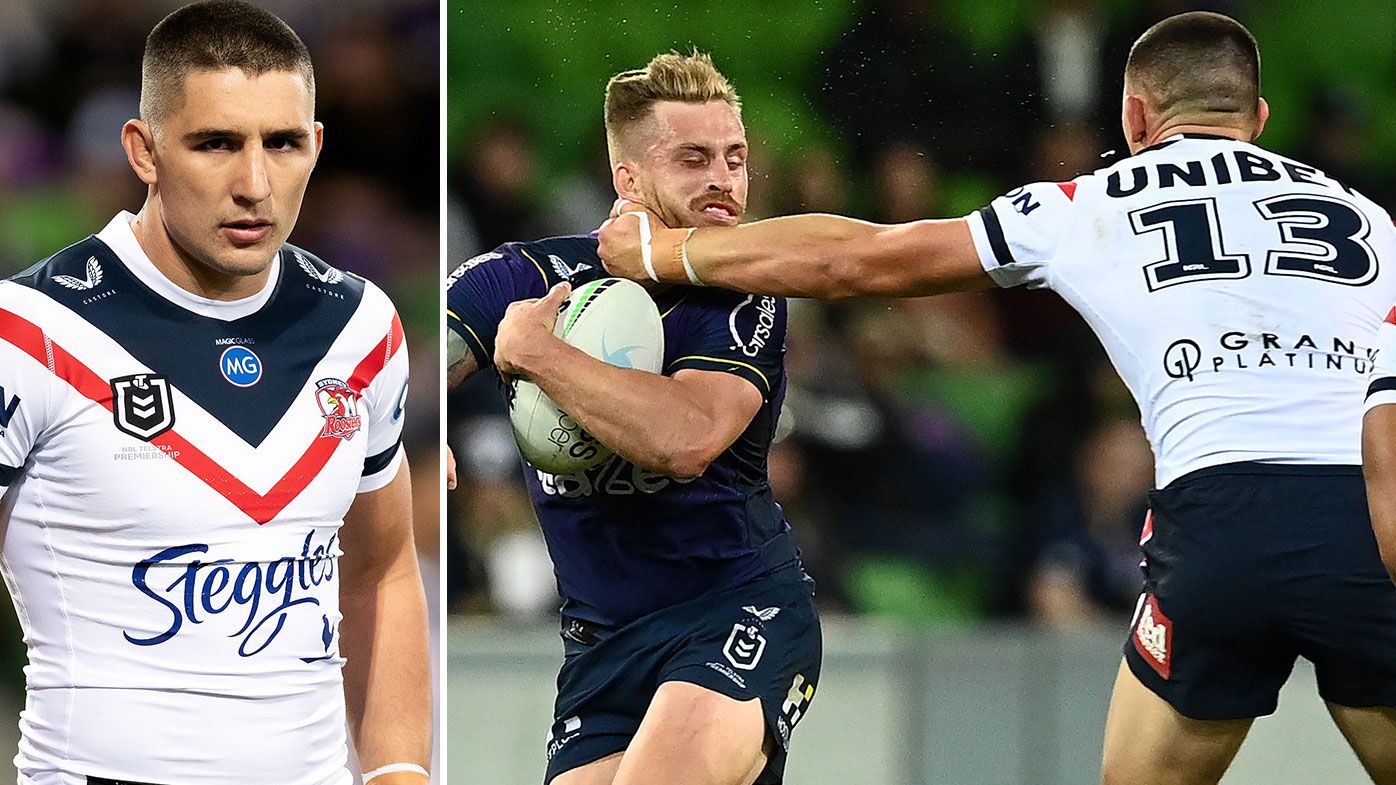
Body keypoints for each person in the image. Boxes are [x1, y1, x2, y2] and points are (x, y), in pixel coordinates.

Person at [598, 12, 1396, 785]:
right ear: (1258, 115)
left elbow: (863, 261)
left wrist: (669, 250)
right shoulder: (1369, 220)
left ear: (1135, 114)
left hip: (1220, 518)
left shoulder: (1093, 202)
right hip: (1363, 512)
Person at [0, 2, 431, 783]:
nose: (255, 183)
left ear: (318, 145)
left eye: (284, 143)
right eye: (216, 144)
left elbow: (382, 568)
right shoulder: (29, 333)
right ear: (144, 150)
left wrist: (398, 772)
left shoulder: (362, 326)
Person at [446, 52, 822, 785]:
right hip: (602, 642)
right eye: (694, 158)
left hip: (737, 612)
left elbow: (686, 439)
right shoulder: (525, 276)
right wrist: (400, 424)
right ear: (627, 178)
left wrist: (536, 354)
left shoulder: (745, 296)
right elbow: (414, 358)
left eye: (736, 159)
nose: (724, 179)